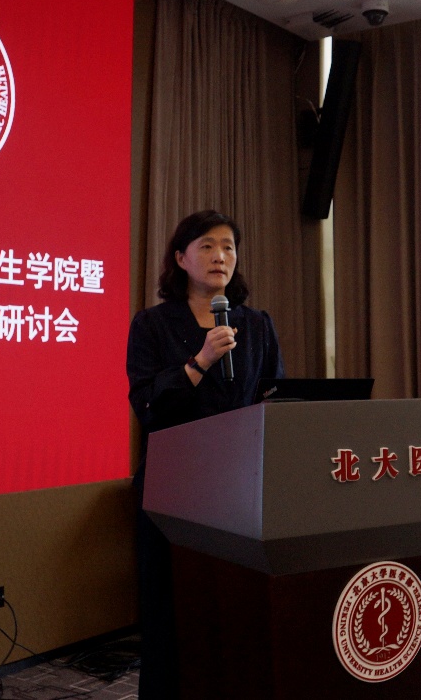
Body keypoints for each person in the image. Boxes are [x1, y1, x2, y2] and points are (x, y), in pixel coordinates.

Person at [125, 210, 284, 699]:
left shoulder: (256, 325)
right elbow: (147, 406)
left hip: (240, 490)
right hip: (174, 490)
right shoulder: (152, 325)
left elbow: (273, 398)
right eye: (208, 245)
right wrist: (200, 361)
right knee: (171, 612)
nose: (221, 256)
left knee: (235, 610)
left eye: (229, 247)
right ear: (181, 258)